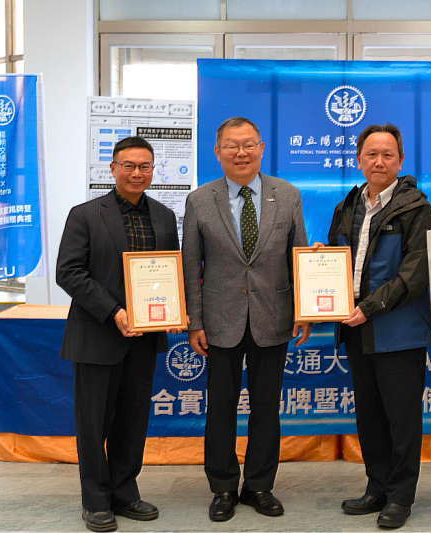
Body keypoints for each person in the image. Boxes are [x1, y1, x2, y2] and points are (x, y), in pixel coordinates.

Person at [182, 117, 312, 522]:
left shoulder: (287, 194)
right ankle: (222, 488)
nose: (241, 152)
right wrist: (194, 321)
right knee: (219, 408)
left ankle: (259, 485)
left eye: (249, 144)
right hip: (219, 321)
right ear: (217, 150)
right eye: (232, 145)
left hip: (273, 317)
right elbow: (191, 265)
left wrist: (304, 309)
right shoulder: (201, 199)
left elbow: (299, 254)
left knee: (266, 408)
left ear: (261, 148)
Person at [56, 136, 182, 532]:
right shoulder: (85, 214)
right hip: (97, 335)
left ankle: (125, 492)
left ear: (153, 169)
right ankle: (95, 499)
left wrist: (174, 308)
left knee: (133, 419)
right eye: (128, 165)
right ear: (111, 169)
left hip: (145, 337)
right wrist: (113, 311)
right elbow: (69, 272)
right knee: (93, 423)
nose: (137, 173)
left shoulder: (163, 217)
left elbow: (169, 272)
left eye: (144, 166)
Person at [320, 123, 431, 529]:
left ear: (400, 161)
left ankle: (401, 497)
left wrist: (369, 308)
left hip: (398, 330)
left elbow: (414, 274)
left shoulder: (417, 209)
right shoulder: (348, 205)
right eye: (371, 154)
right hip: (356, 327)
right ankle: (377, 487)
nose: (379, 161)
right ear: (358, 160)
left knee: (401, 417)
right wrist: (322, 259)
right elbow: (340, 258)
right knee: (369, 414)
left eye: (388, 154)